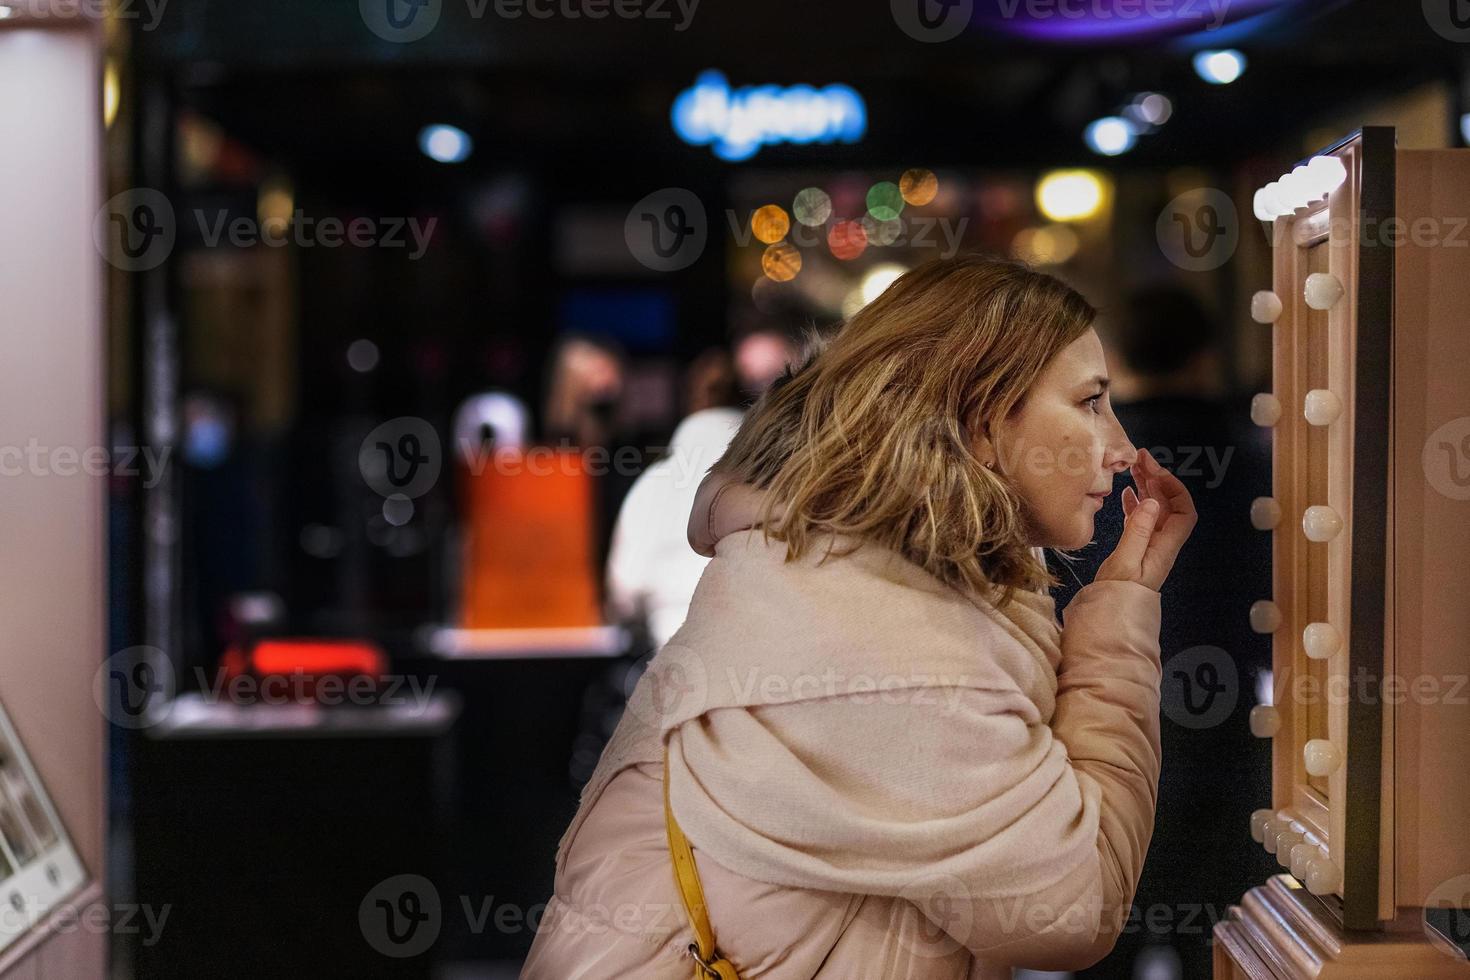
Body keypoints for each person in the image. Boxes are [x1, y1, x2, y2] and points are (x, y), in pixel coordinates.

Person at [521, 256, 1197, 979]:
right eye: (1091, 401)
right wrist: (1117, 618)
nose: (1122, 449)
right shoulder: (884, 634)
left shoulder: (838, 567)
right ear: (980, 419)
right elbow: (1072, 910)